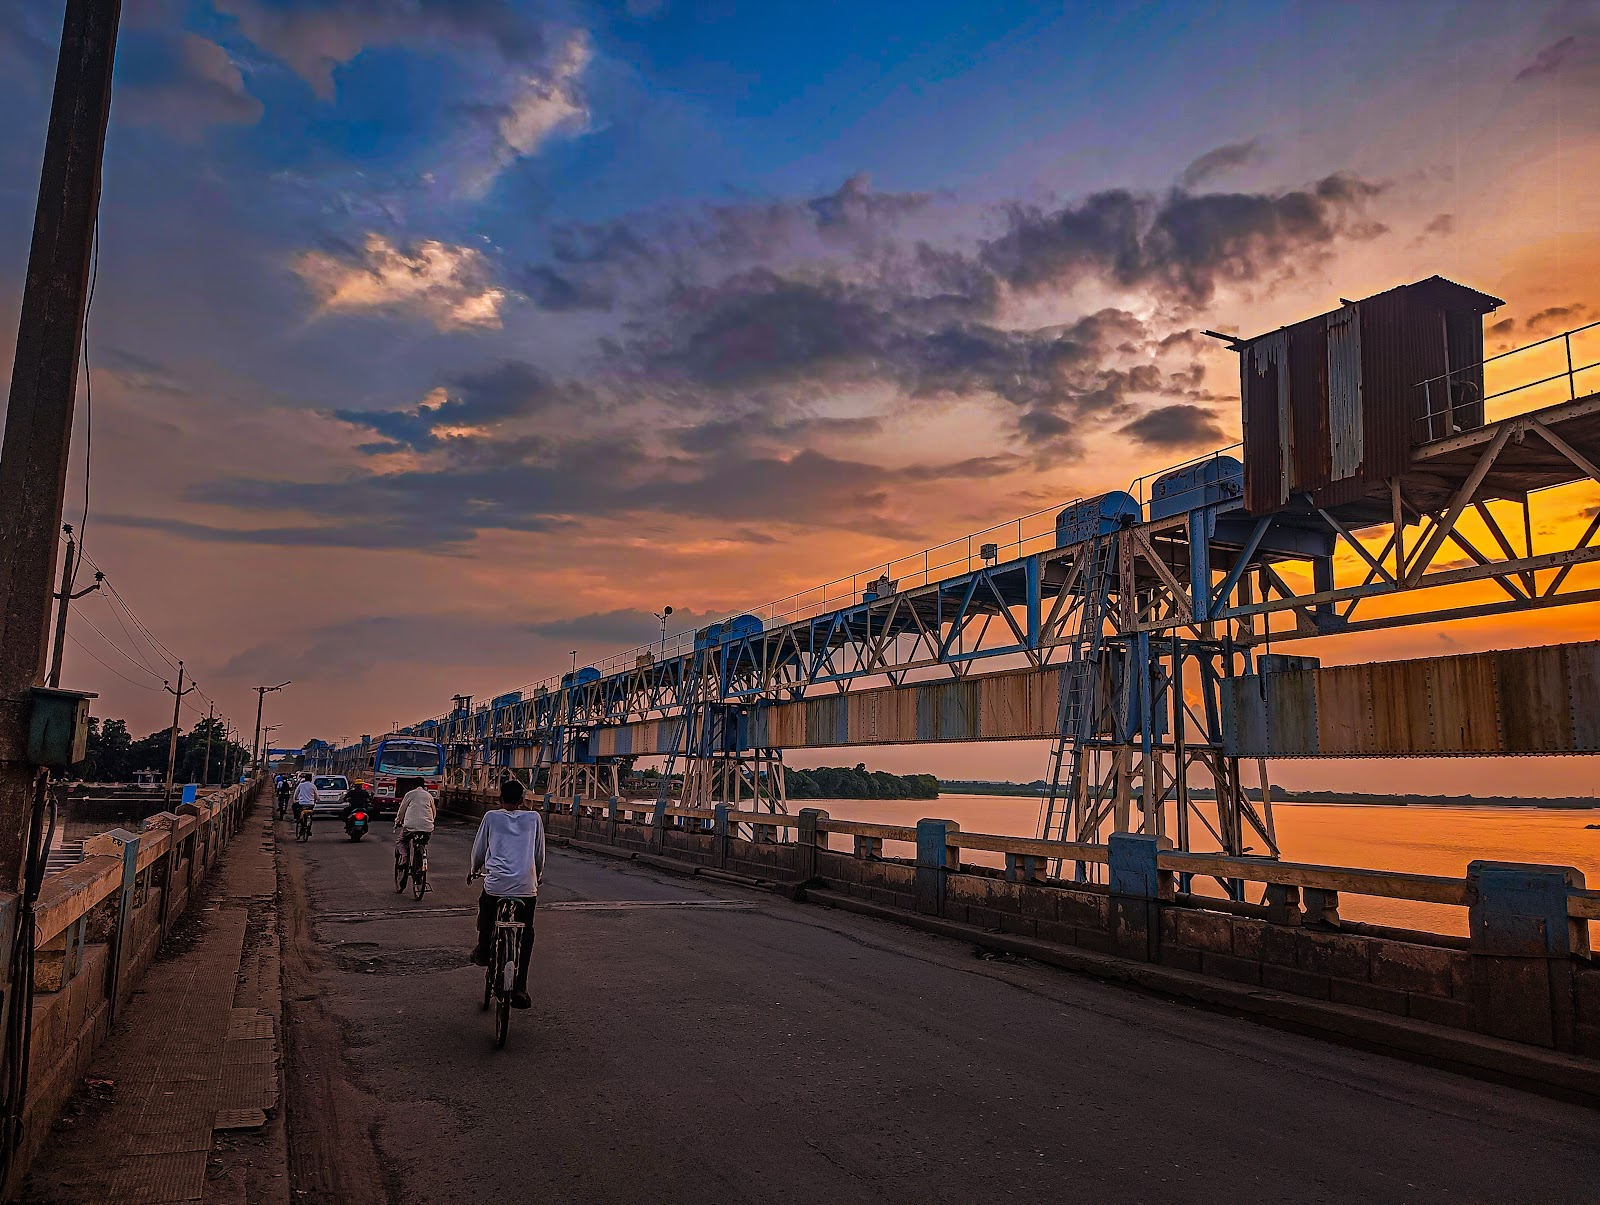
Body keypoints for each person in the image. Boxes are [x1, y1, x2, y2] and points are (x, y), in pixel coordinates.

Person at [468, 777, 544, 1009]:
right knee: (526, 932)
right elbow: (538, 853)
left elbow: (480, 849)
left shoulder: (491, 817)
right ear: (522, 800)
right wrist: (536, 876)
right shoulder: (534, 818)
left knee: (486, 906)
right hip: (526, 886)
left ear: (500, 799)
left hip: (496, 884)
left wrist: (474, 869)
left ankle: (482, 949)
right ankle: (520, 987)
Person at [393, 776, 436, 870]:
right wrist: (430, 822)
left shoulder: (410, 794)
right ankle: (422, 857)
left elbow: (401, 811)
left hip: (410, 827)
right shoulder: (429, 795)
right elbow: (433, 811)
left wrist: (397, 821)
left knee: (401, 841)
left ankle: (404, 859)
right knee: (422, 843)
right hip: (427, 827)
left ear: (413, 785)